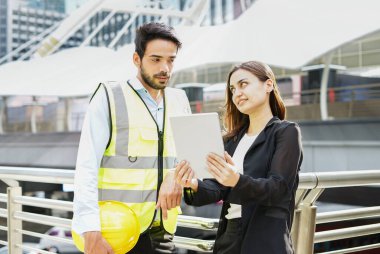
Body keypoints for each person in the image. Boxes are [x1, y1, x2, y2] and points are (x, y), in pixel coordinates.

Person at [72, 22, 191, 254]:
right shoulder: (109, 97)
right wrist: (90, 230)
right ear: (137, 59)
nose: (165, 68)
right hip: (115, 233)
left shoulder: (180, 99)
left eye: (171, 60)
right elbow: (86, 167)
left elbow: (192, 159)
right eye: (155, 59)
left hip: (162, 231)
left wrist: (176, 176)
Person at [175, 61, 303, 254]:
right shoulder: (232, 140)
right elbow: (218, 189)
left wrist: (236, 180)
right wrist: (193, 184)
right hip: (229, 237)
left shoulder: (286, 132)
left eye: (243, 84)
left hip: (265, 238)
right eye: (233, 89)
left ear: (268, 85)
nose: (237, 94)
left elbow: (278, 189)